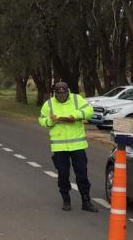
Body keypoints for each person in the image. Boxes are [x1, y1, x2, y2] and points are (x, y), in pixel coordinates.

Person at [38, 81, 98, 212]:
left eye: (63, 94)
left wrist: (74, 116)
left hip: (77, 145)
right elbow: (42, 120)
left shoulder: (77, 99)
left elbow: (89, 111)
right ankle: (66, 199)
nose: (61, 96)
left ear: (67, 91)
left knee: (82, 174)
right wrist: (51, 120)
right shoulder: (49, 104)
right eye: (58, 94)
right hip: (59, 147)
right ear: (55, 93)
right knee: (63, 174)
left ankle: (86, 201)